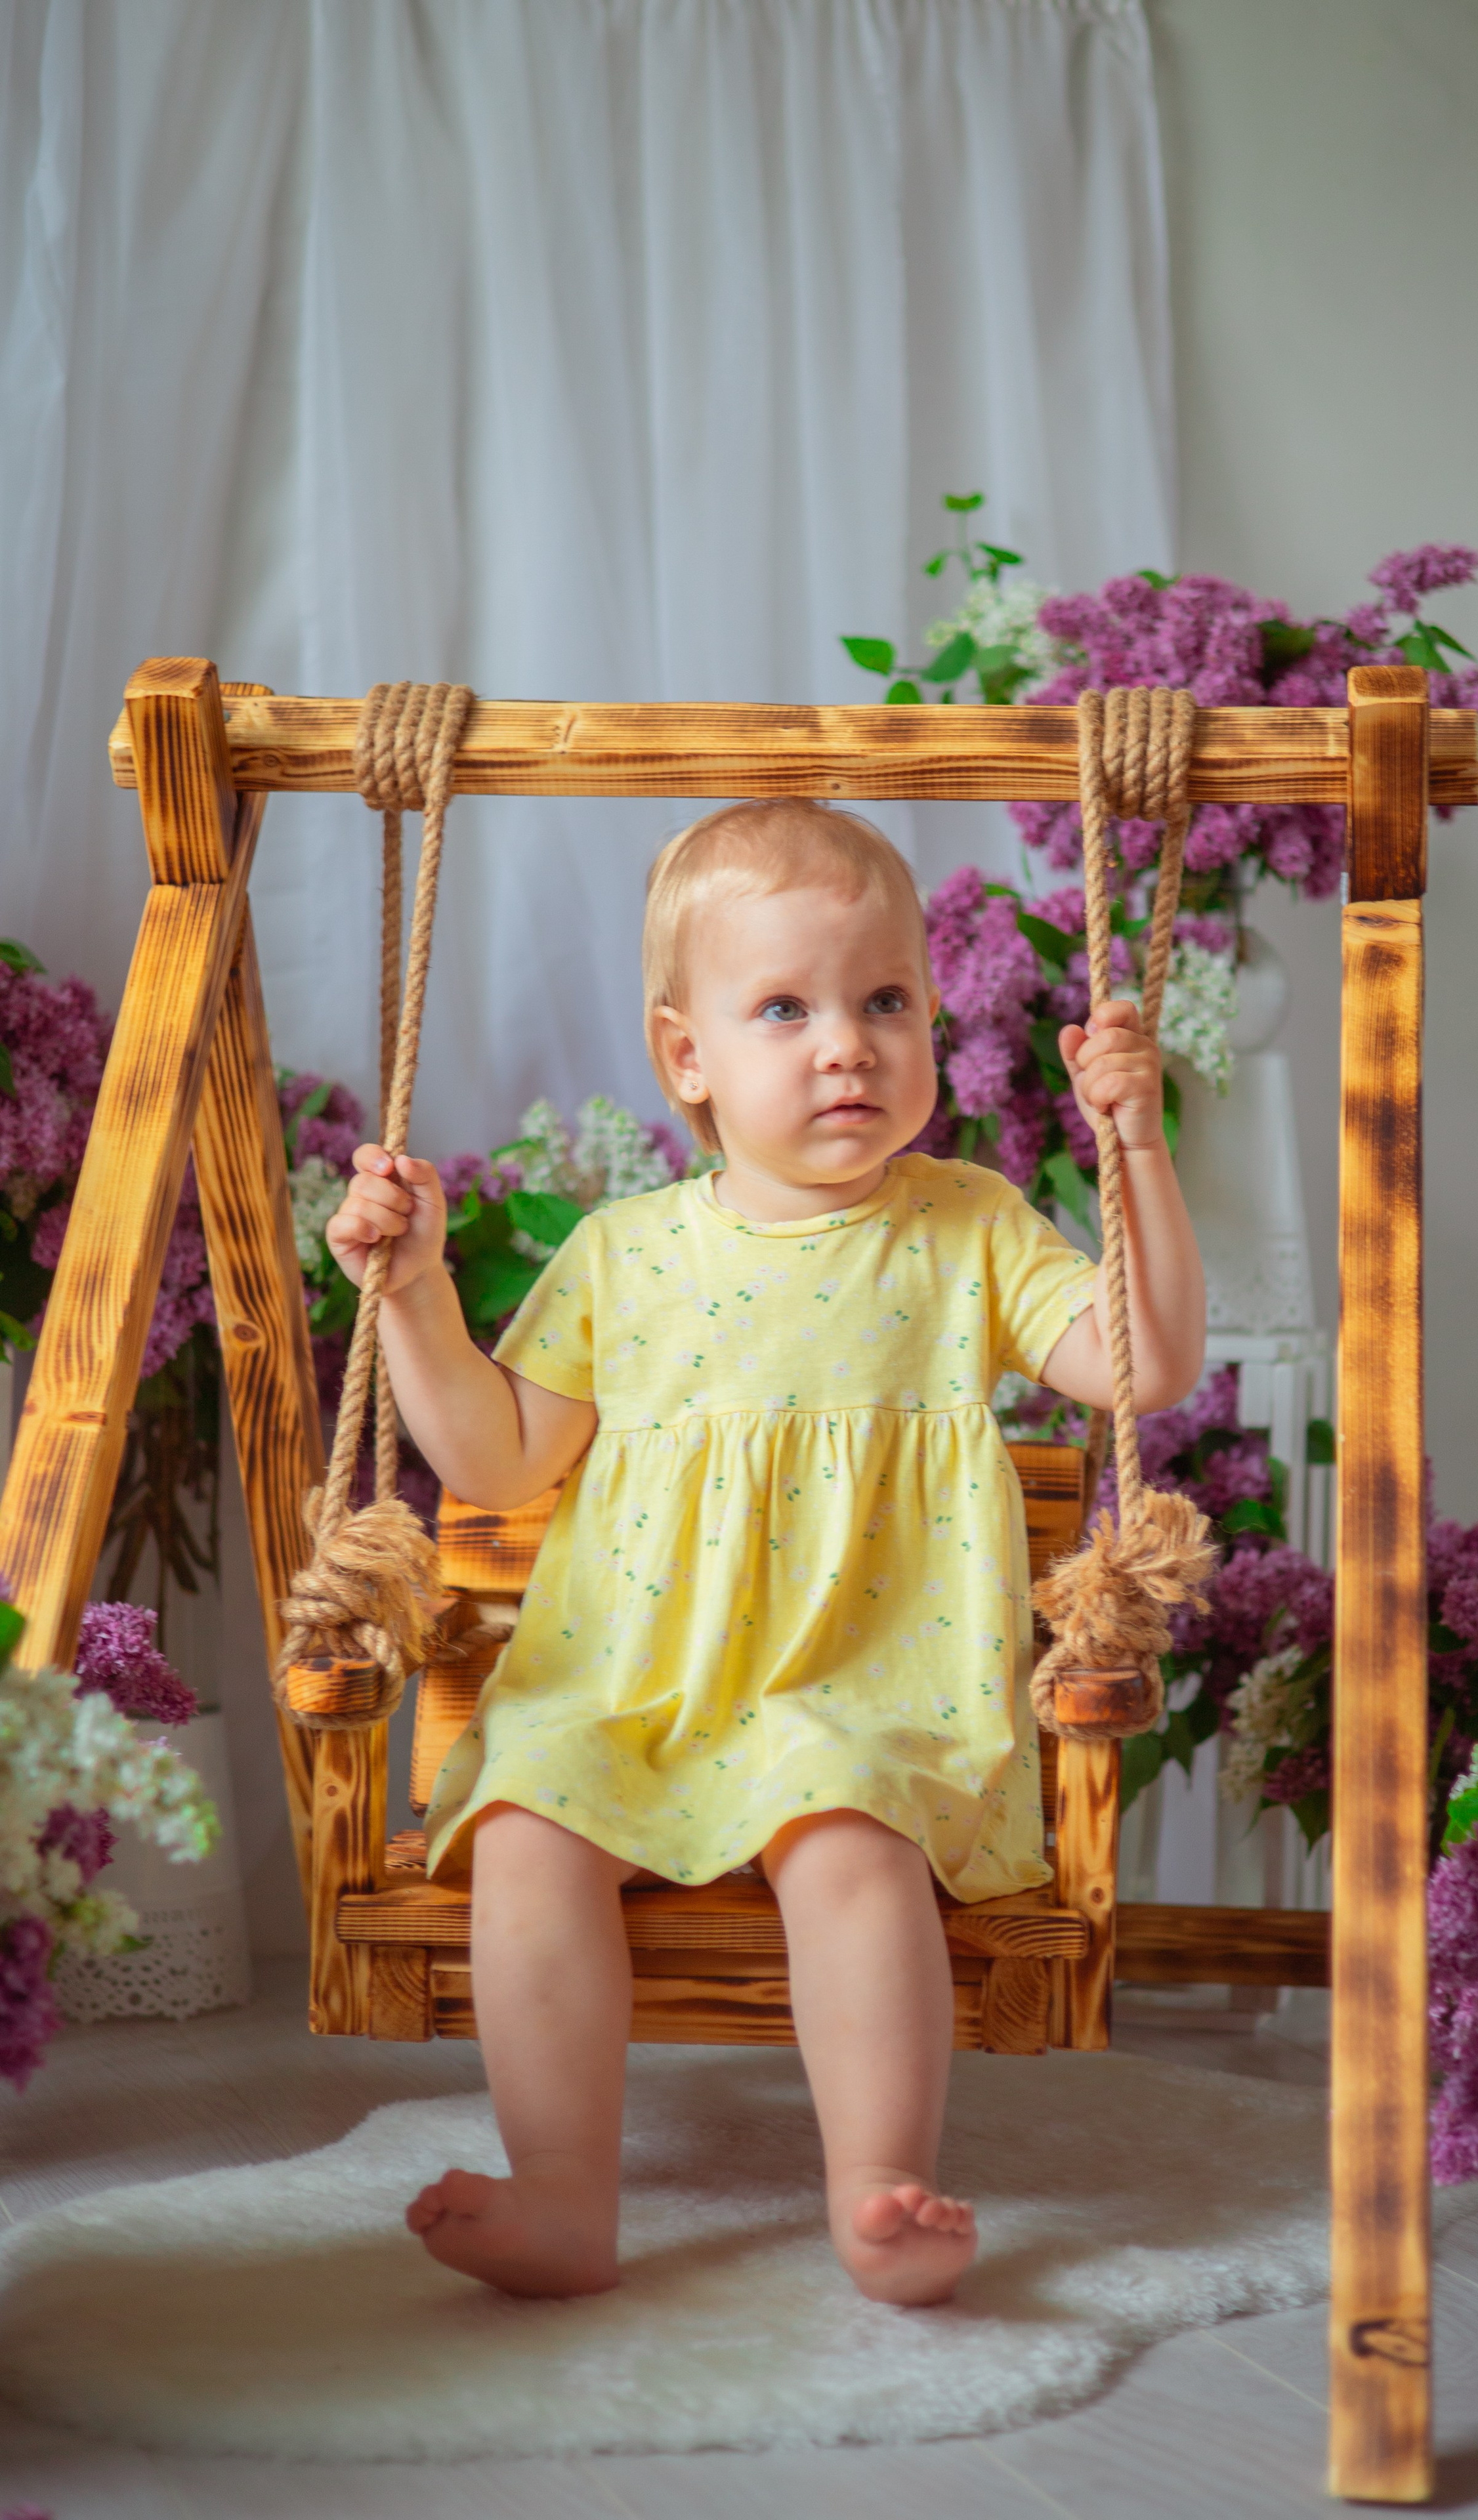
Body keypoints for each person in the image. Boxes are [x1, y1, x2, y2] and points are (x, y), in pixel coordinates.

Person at [326, 798, 1204, 2305]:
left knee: (846, 1839)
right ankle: (561, 2196)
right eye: (783, 1008)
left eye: (884, 1003)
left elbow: (1151, 1358)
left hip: (863, 1694)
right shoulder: (629, 1253)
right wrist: (409, 1296)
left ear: (931, 1022)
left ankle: (880, 2190)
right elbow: (495, 1458)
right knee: (529, 1833)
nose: (843, 1046)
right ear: (688, 1060)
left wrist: (1132, 1143)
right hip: (635, 1687)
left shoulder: (969, 1229)